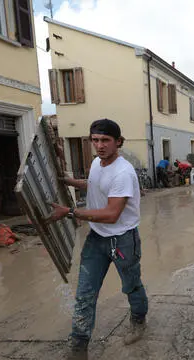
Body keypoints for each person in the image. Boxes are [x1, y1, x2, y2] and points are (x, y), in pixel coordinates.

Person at [48, 119, 148, 360]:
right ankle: (79, 347)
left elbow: (112, 214)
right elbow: (95, 185)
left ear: (118, 142)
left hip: (123, 239)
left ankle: (138, 321)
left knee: (131, 285)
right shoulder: (96, 163)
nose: (99, 145)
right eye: (95, 140)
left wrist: (70, 212)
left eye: (105, 140)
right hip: (97, 239)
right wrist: (68, 182)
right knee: (85, 292)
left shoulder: (123, 172)